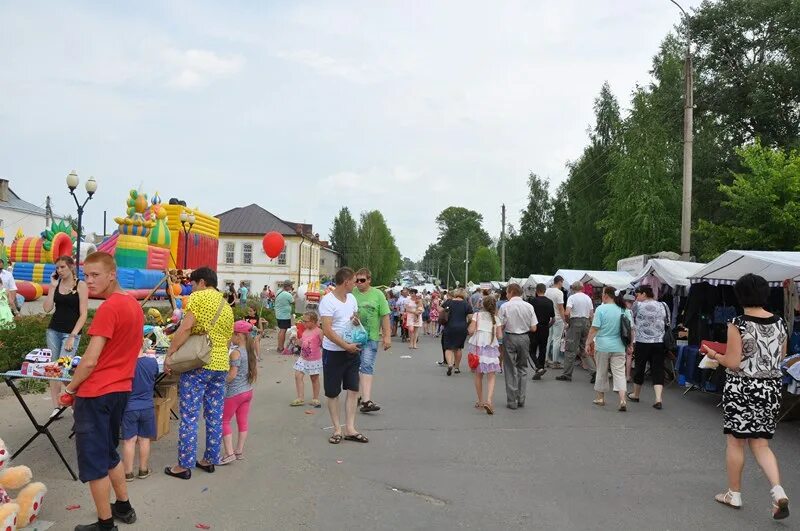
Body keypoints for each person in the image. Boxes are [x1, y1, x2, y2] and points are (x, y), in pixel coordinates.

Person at [59, 252, 143, 530]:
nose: (89, 280)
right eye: (86, 275)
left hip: (96, 393)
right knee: (109, 452)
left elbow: (91, 359)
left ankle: (105, 524)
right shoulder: (133, 304)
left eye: (95, 275)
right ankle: (123, 506)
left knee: (95, 461)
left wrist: (70, 388)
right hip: (120, 390)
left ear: (112, 274)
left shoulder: (109, 308)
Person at [704, 274, 790, 519]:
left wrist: (714, 355)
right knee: (761, 443)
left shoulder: (737, 323)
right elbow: (780, 356)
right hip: (771, 388)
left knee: (735, 441)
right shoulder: (780, 323)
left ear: (739, 295)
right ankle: (778, 490)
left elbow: (733, 362)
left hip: (742, 389)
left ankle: (734, 493)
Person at [164, 267, 235, 480]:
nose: (191, 288)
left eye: (193, 284)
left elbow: (185, 328)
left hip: (199, 364)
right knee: (214, 415)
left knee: (189, 415)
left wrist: (171, 352)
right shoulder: (227, 305)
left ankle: (184, 465)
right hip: (221, 364)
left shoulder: (198, 298)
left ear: (202, 282)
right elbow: (228, 338)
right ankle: (210, 459)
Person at [319, 267, 368, 444]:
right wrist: (345, 346)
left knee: (354, 389)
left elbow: (354, 319)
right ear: (346, 282)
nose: (356, 284)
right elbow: (327, 329)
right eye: (354, 281)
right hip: (334, 351)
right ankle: (337, 429)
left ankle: (350, 428)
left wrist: (356, 321)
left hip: (352, 350)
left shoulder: (352, 298)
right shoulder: (328, 301)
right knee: (333, 392)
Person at [44, 256, 89, 419]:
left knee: (62, 368)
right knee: (52, 369)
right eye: (57, 268)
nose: (59, 271)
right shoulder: (56, 284)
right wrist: (51, 287)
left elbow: (84, 314)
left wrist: (72, 335)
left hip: (71, 333)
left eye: (62, 267)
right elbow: (47, 308)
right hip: (53, 331)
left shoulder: (81, 285)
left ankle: (75, 397)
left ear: (71, 267)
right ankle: (56, 406)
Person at [352, 268, 391, 413]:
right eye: (357, 280)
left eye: (362, 280)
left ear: (369, 280)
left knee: (367, 365)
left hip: (371, 337)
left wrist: (386, 337)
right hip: (353, 336)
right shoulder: (352, 293)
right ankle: (354, 394)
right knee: (354, 366)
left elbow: (385, 316)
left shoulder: (378, 295)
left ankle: (366, 400)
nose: (359, 283)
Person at [586, 287, 631, 411]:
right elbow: (630, 329)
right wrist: (630, 345)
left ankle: (600, 398)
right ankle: (622, 399)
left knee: (601, 371)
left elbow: (594, 328)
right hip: (620, 346)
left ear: (606, 295)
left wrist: (588, 343)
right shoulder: (624, 310)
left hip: (603, 346)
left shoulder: (601, 309)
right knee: (620, 373)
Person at [220, 320, 257, 465]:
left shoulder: (236, 353)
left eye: (232, 334)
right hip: (248, 391)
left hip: (234, 392)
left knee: (224, 420)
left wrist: (222, 381)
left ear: (239, 335)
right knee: (242, 421)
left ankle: (229, 453)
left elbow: (232, 375)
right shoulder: (249, 351)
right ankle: (239, 450)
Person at [498, 283, 537, 409]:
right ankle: (521, 398)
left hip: (509, 337)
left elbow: (501, 325)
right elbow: (533, 327)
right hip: (524, 337)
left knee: (510, 368)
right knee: (523, 368)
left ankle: (511, 400)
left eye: (507, 292)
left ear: (511, 292)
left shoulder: (505, 306)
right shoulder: (529, 306)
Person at [627, 285, 667, 408]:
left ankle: (636, 394)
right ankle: (658, 398)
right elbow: (666, 321)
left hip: (642, 342)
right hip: (659, 342)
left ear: (644, 294)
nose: (636, 297)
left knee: (640, 368)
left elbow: (630, 319)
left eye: (637, 294)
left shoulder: (637, 305)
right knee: (658, 369)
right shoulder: (663, 305)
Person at [121, 349, 158, 481]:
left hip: (129, 407)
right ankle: (143, 470)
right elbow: (155, 376)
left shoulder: (125, 364)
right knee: (144, 439)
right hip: (147, 406)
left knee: (129, 441)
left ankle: (128, 473)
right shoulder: (152, 363)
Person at [468, 295, 503, 415]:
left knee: (478, 375)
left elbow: (471, 331)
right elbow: (500, 336)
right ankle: (489, 400)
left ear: (483, 304)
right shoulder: (496, 319)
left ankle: (480, 400)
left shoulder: (476, 315)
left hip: (478, 348)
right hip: (491, 348)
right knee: (491, 376)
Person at [557, 281, 595, 382]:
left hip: (575, 322)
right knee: (584, 349)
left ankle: (567, 374)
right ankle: (594, 372)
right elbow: (591, 314)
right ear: (582, 288)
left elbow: (567, 312)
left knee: (570, 350)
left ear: (573, 289)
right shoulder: (588, 298)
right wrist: (590, 324)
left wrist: (568, 322)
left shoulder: (572, 298)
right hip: (586, 322)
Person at [291, 311, 323, 407]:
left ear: (313, 321)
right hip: (303, 358)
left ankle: (315, 398)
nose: (303, 323)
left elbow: (324, 344)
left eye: (305, 321)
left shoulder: (319, 331)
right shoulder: (305, 332)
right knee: (298, 375)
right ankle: (300, 397)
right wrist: (296, 340)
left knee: (314, 378)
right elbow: (302, 343)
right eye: (303, 321)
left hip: (314, 359)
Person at [442, 289, 472, 375]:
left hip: (449, 326)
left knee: (448, 347)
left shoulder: (449, 302)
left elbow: (440, 310)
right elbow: (470, 317)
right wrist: (466, 324)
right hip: (461, 328)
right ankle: (457, 367)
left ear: (455, 294)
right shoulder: (466, 304)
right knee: (458, 348)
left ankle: (450, 364)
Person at [529, 283, 554, 380]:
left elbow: (529, 316)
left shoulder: (533, 301)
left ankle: (538, 367)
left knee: (532, 350)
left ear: (536, 290)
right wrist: (548, 326)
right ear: (545, 290)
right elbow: (553, 318)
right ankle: (541, 367)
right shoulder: (550, 302)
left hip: (535, 328)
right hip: (545, 328)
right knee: (543, 349)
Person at [544, 276, 566, 369]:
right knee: (557, 340)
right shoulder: (559, 293)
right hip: (558, 318)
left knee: (549, 338)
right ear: (560, 282)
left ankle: (545, 359)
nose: (562, 285)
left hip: (549, 318)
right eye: (562, 282)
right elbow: (561, 307)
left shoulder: (548, 291)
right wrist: (565, 319)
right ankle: (555, 361)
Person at [275, 280, 295, 353]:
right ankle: (281, 348)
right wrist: (295, 295)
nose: (292, 287)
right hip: (284, 315)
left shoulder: (279, 291)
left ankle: (279, 346)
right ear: (288, 286)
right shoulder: (287, 295)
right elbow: (293, 302)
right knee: (283, 331)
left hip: (279, 314)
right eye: (291, 286)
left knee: (281, 330)